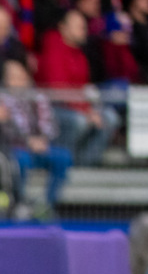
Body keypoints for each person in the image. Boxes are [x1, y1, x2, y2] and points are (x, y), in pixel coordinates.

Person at [36, 8, 119, 165]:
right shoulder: (53, 51)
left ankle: (85, 164)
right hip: (53, 108)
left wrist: (90, 109)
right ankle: (64, 162)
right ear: (63, 28)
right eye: (79, 26)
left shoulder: (80, 54)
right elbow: (58, 91)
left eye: (84, 26)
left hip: (76, 107)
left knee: (109, 118)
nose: (84, 30)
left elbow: (83, 89)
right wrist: (85, 111)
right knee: (79, 121)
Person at [0, 58, 70, 217]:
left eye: (21, 76)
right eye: (13, 77)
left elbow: (50, 124)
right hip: (16, 148)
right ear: (6, 80)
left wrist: (42, 139)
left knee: (63, 157)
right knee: (20, 160)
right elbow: (6, 129)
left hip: (40, 146)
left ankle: (47, 203)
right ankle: (21, 202)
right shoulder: (0, 100)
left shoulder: (38, 98)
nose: (17, 81)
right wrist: (28, 141)